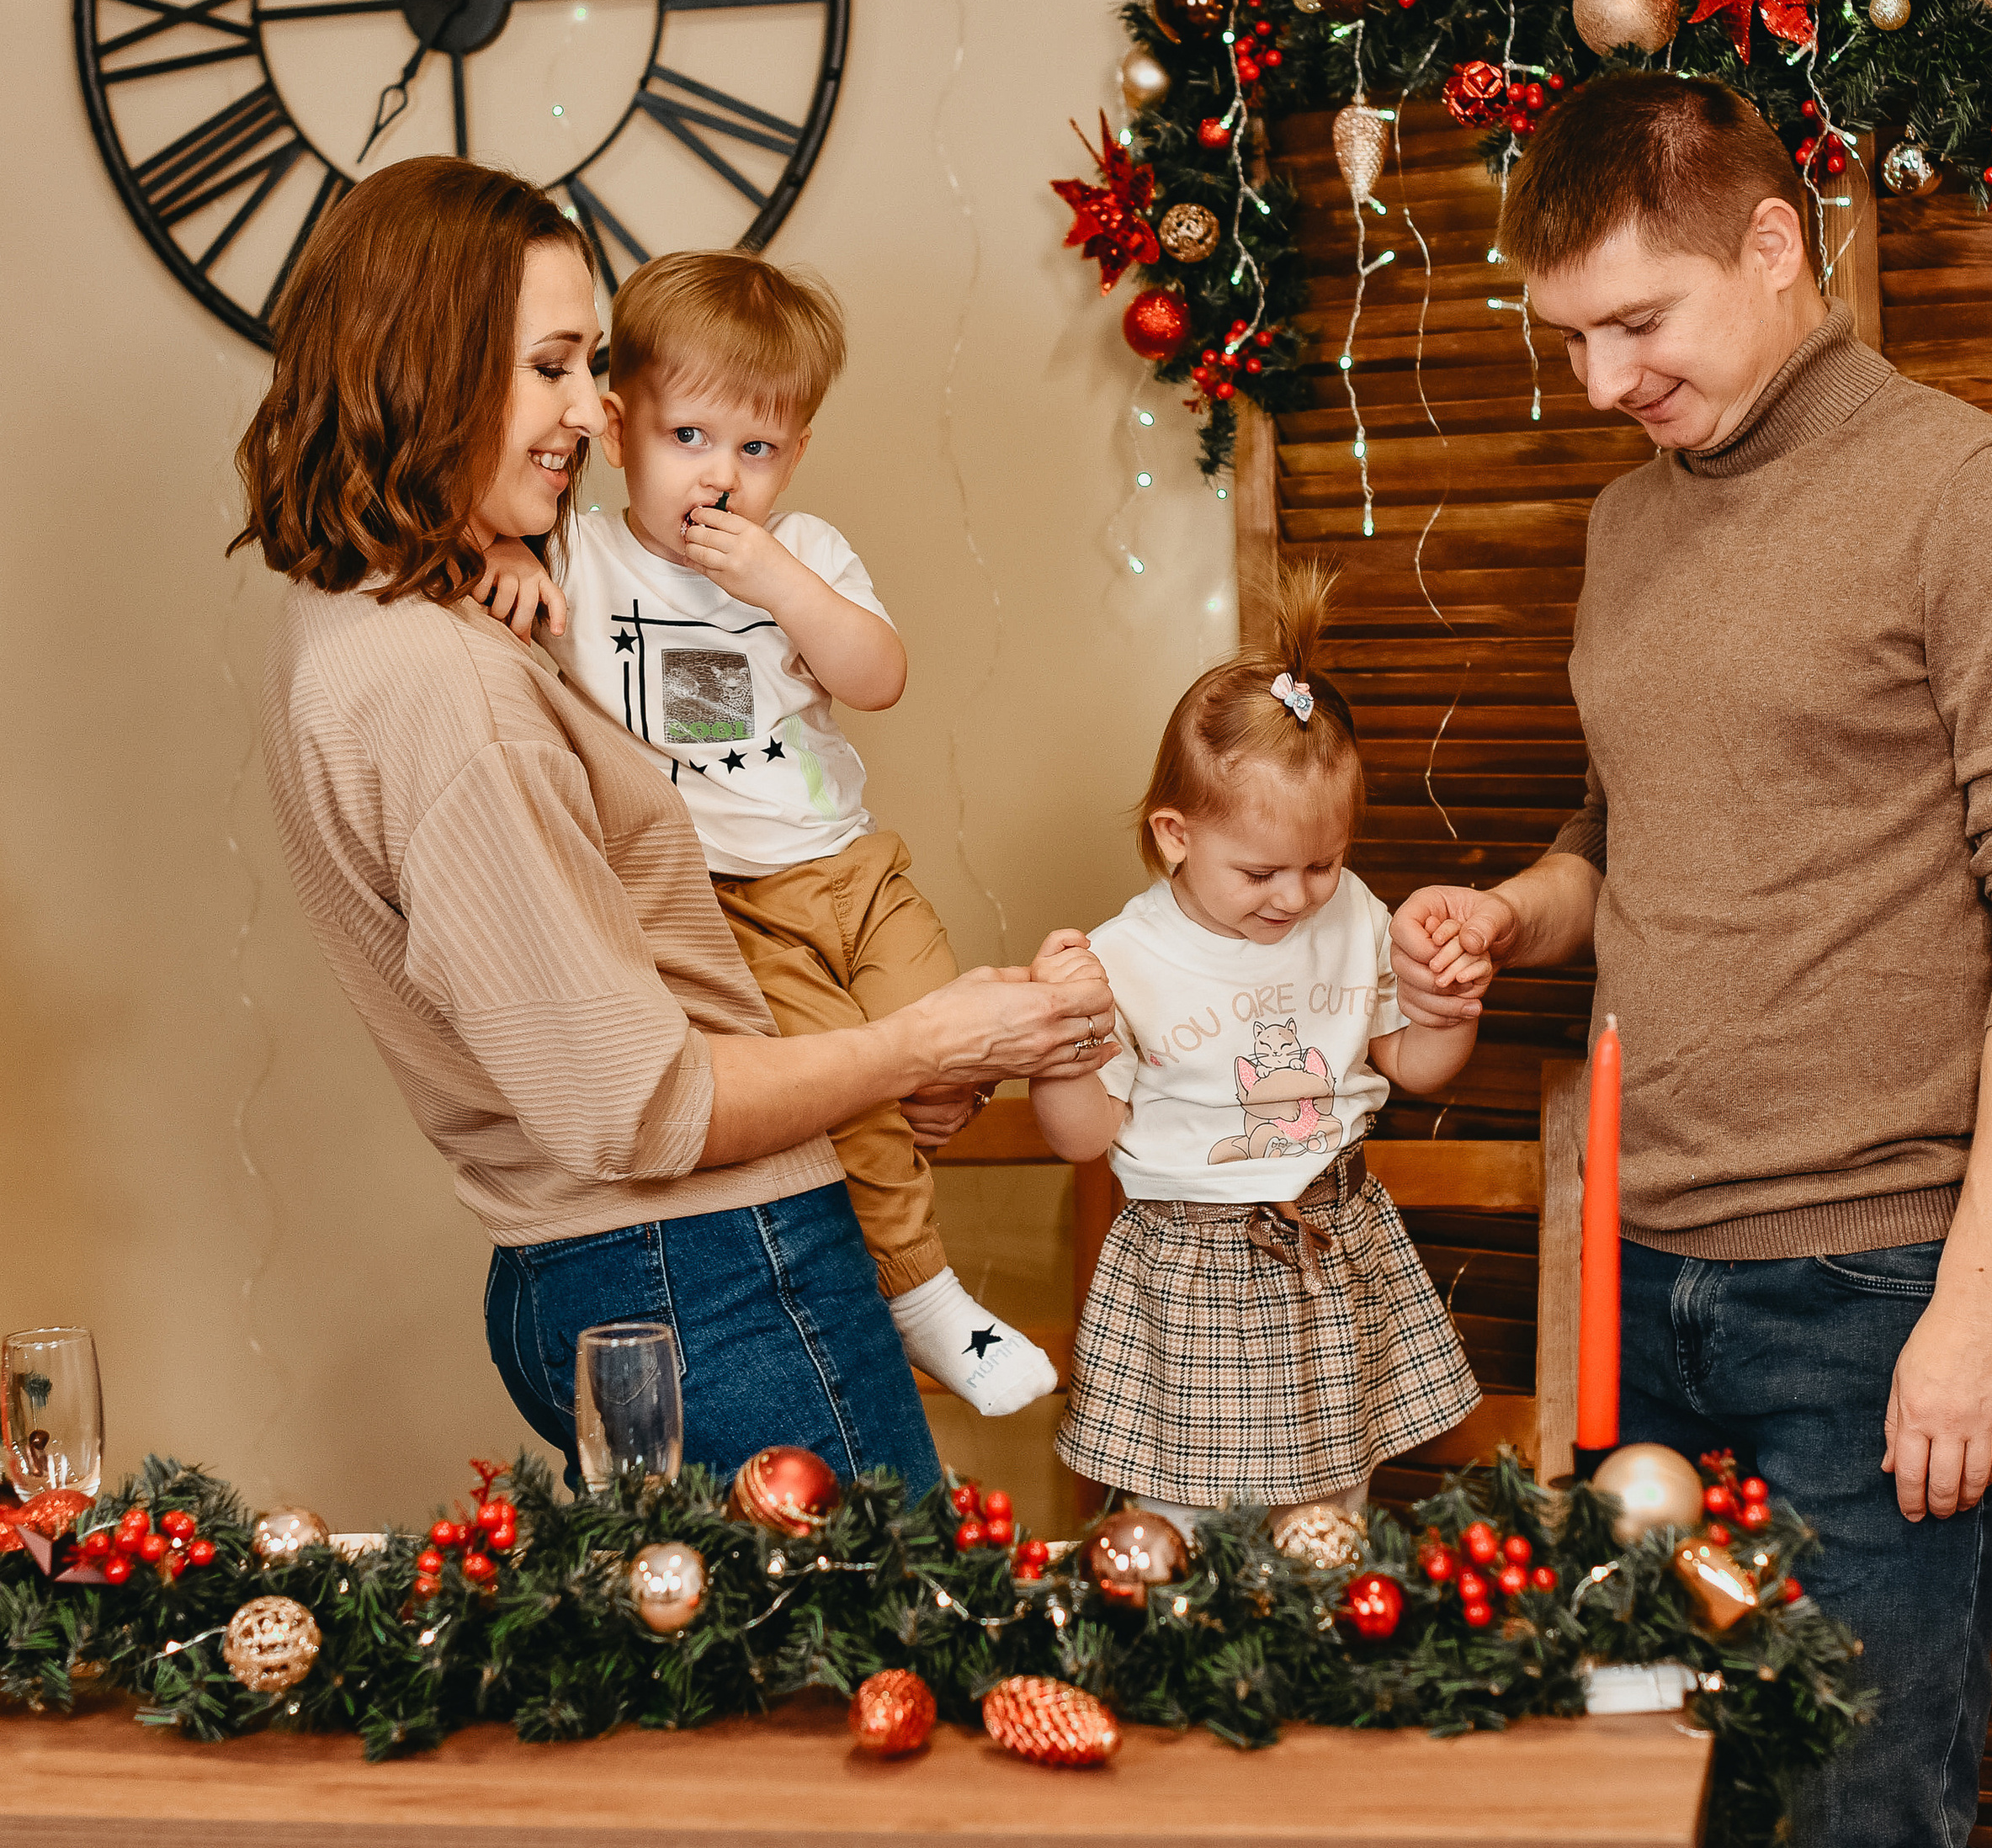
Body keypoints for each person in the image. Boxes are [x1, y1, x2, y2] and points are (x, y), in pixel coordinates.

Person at [1389, 72, 1992, 1848]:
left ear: (1769, 243)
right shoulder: (1629, 519)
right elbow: (1618, 837)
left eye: (1637, 323)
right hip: (1635, 1278)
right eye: (1567, 340)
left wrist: (1981, 1300)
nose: (1602, 384)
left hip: (1875, 1297)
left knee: (1855, 1813)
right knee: (1650, 1805)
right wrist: (1510, 914)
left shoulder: (1979, 502)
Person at [233, 157, 1113, 1499]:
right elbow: (642, 1105)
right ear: (424, 368)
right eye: (551, 366)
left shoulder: (369, 616)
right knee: (885, 1627)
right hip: (708, 1269)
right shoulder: (451, 686)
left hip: (612, 1267)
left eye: (591, 365)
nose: (590, 411)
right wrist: (926, 1045)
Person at [470, 249, 1056, 1418]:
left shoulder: (809, 552)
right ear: (618, 430)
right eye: (689, 438)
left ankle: (921, 1177)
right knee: (856, 1087)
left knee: (949, 1037)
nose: (721, 476)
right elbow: (452, 545)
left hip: (853, 868)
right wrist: (492, 551)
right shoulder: (581, 553)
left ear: (797, 451)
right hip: (735, 901)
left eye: (758, 449)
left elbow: (878, 677)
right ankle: (922, 1291)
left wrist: (781, 581)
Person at [1033, 567, 1481, 1537]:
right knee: (1181, 1523)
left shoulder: (1352, 911)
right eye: (1259, 871)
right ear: (1174, 835)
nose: (1295, 895)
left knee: (1328, 1519)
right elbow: (1083, 1136)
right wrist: (1062, 1054)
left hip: (1332, 1245)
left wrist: (1447, 1010)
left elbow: (1408, 1062)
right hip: (1192, 1274)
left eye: (1323, 862)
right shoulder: (1124, 958)